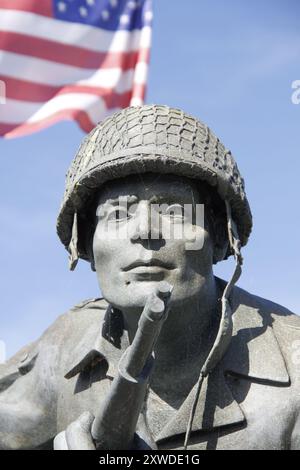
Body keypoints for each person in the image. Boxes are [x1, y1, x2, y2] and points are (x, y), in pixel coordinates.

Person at [0, 105, 299, 450]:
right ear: (86, 246)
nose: (144, 231)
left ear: (219, 237)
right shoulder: (65, 346)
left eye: (174, 211)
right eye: (116, 214)